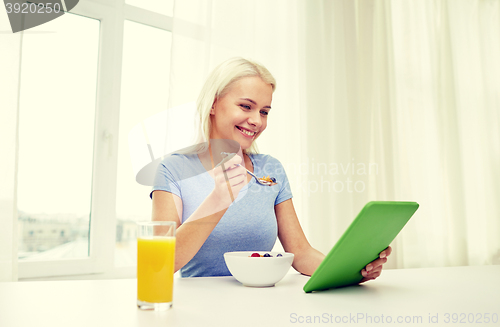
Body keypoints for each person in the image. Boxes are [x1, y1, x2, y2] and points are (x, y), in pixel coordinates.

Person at [151, 57, 391, 280]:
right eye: (246, 106)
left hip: (264, 305)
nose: (257, 121)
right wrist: (218, 199)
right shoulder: (173, 169)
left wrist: (352, 270)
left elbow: (301, 252)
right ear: (213, 104)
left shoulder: (269, 168)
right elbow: (160, 263)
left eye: (264, 112)